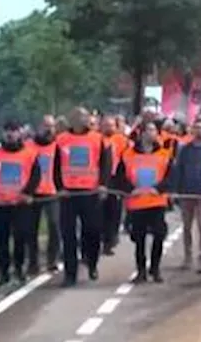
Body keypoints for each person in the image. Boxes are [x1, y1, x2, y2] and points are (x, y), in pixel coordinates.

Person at [54, 107, 112, 286]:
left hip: (91, 192)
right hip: (69, 193)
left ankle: (92, 262)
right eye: (80, 116)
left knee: (92, 231)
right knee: (68, 234)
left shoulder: (97, 139)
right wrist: (59, 187)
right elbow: (55, 166)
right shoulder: (61, 140)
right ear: (73, 120)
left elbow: (105, 164)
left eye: (86, 117)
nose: (84, 119)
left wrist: (103, 184)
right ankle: (70, 274)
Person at [114, 122, 172, 283]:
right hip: (136, 202)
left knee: (159, 234)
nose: (151, 133)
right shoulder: (128, 154)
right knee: (138, 238)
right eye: (148, 130)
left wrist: (159, 189)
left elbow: (170, 176)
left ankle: (155, 268)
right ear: (141, 133)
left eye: (153, 130)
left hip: (156, 202)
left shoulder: (164, 154)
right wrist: (130, 188)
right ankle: (141, 270)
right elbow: (120, 176)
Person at [0, 121, 39, 286]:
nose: (10, 134)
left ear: (20, 133)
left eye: (13, 131)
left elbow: (35, 176)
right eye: (7, 131)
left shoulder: (30, 154)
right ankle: (3, 272)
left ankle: (19, 268)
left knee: (20, 237)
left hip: (20, 204)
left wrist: (27, 193)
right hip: (0, 204)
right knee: (1, 238)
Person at [168, 118, 201, 273]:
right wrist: (175, 190)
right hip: (187, 191)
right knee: (187, 226)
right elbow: (178, 170)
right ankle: (187, 256)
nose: (198, 131)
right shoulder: (184, 150)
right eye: (196, 128)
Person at [26, 115, 62, 274]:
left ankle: (52, 260)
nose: (48, 129)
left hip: (52, 192)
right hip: (32, 193)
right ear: (38, 127)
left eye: (51, 126)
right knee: (31, 229)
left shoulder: (59, 146)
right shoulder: (28, 146)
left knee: (55, 226)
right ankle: (33, 263)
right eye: (45, 125)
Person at [100, 116, 131, 256]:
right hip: (100, 179)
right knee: (99, 212)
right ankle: (99, 239)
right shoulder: (98, 139)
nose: (109, 128)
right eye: (106, 125)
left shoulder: (122, 140)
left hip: (115, 179)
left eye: (112, 125)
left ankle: (109, 240)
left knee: (114, 212)